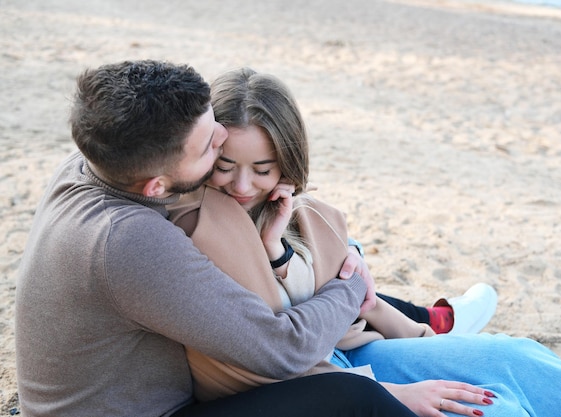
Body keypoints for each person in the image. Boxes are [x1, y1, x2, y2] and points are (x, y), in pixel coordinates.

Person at [171, 67, 561, 417]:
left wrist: (425, 339)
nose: (242, 185)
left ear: (288, 162)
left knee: (512, 355)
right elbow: (267, 358)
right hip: (308, 387)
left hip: (350, 355)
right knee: (494, 408)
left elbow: (357, 311)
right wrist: (397, 392)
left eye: (263, 169)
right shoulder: (198, 227)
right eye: (225, 165)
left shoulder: (307, 216)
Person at [14, 59, 432, 417]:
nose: (221, 137)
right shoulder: (129, 240)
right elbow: (282, 350)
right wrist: (354, 282)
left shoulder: (96, 159)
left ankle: (428, 317)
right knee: (352, 399)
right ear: (157, 186)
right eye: (210, 149)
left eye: (211, 123)